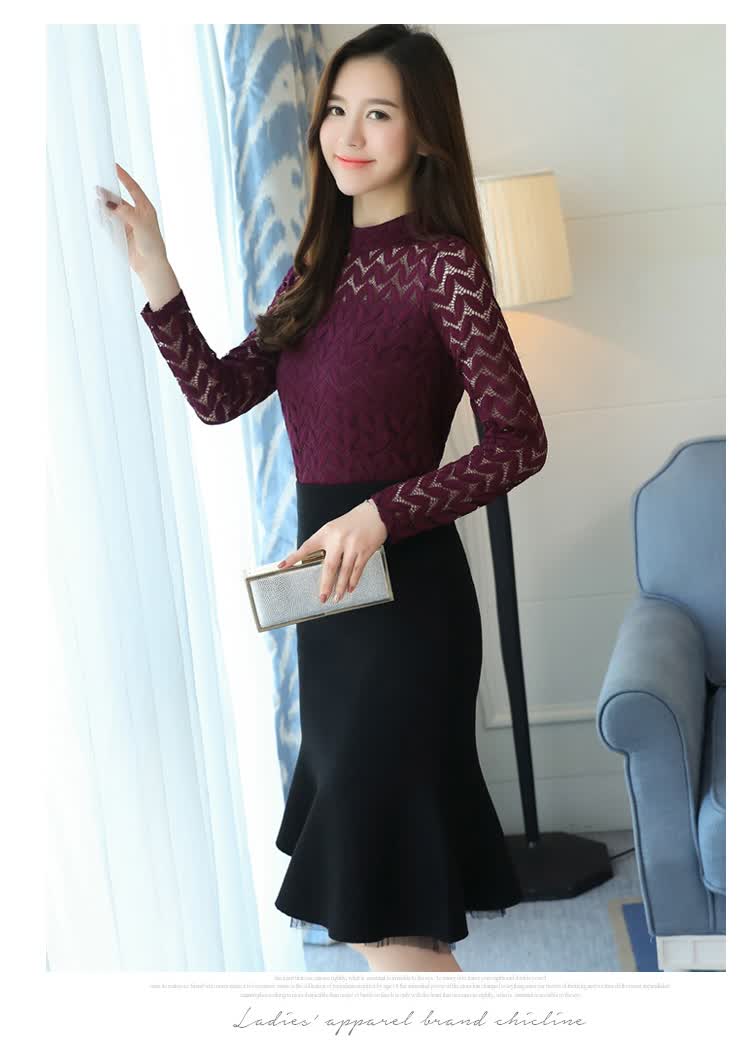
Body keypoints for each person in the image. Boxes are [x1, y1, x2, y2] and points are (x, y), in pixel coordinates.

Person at [101, 24, 548, 973]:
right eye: (336, 109)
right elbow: (221, 395)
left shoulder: (443, 265)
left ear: (425, 133)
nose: (348, 132)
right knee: (389, 916)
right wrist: (155, 268)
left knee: (382, 915)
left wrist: (380, 513)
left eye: (378, 113)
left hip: (410, 613)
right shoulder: (317, 266)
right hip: (333, 613)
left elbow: (519, 442)